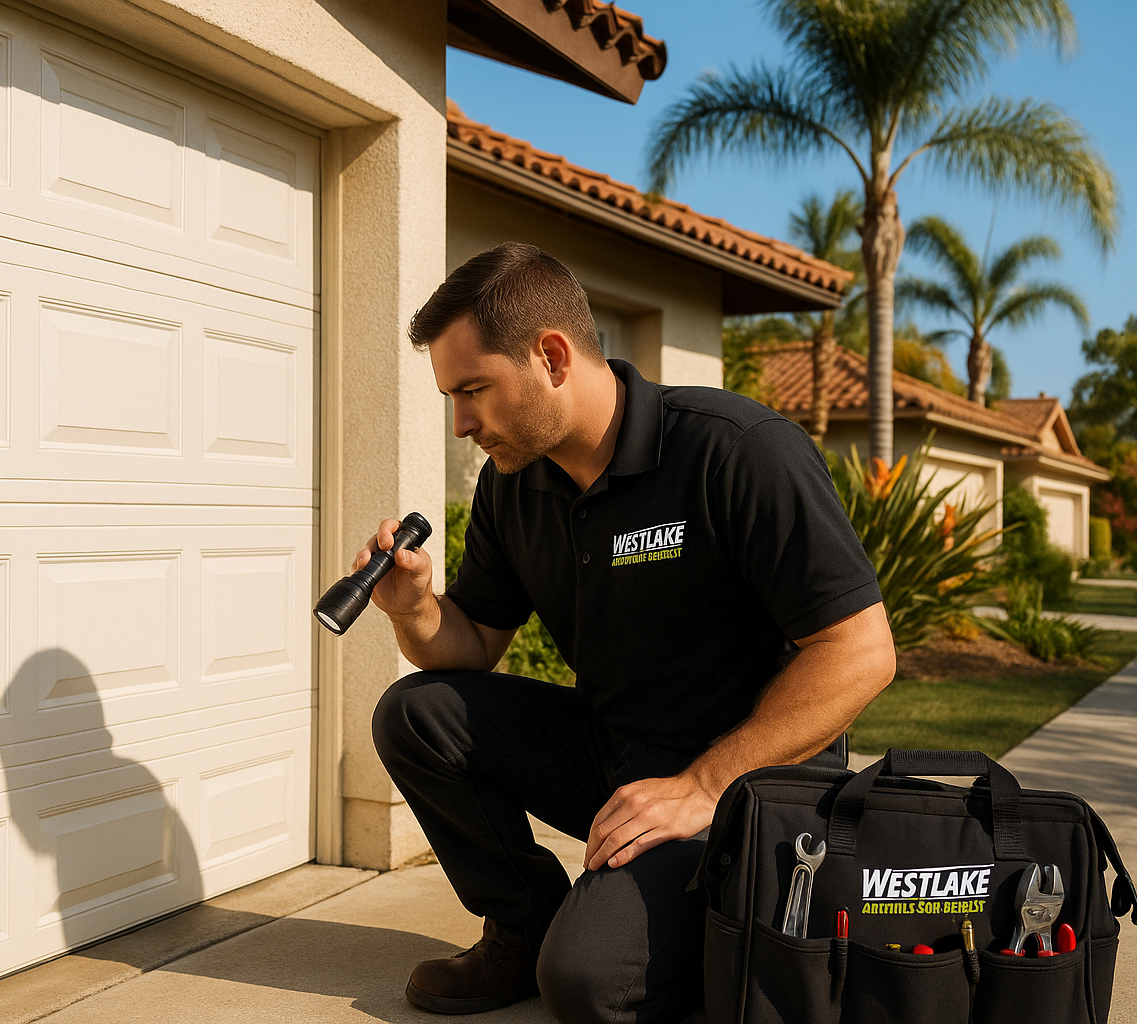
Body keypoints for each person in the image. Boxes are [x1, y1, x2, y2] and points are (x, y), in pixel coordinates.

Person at [359, 242, 897, 1023]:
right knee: (414, 713)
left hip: (751, 785)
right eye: (453, 397)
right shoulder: (514, 485)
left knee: (587, 983)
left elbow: (862, 652)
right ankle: (524, 927)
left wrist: (703, 788)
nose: (461, 423)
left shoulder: (734, 450)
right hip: (620, 755)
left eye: (473, 390)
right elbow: (474, 644)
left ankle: (740, 925)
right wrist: (413, 607)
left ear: (551, 357)